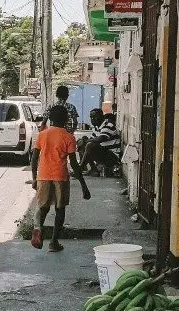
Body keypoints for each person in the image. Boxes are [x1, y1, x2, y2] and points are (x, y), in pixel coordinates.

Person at [31, 104, 91, 252]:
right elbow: (74, 164)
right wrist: (84, 185)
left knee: (43, 207)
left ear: (50, 119)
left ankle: (38, 228)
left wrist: (34, 178)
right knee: (60, 209)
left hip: (43, 176)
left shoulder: (42, 134)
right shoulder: (68, 137)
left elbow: (34, 159)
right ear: (66, 120)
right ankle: (54, 242)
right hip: (60, 177)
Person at [80, 111, 121, 177]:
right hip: (105, 153)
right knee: (83, 143)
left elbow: (101, 138)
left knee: (89, 145)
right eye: (91, 118)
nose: (91, 120)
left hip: (113, 157)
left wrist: (86, 141)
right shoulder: (97, 128)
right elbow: (91, 139)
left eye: (93, 117)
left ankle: (80, 169)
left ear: (99, 117)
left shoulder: (108, 125)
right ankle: (93, 170)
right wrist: (83, 141)